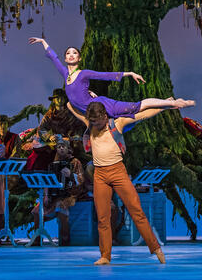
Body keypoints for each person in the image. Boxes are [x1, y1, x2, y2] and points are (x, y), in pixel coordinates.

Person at [68, 100, 167, 265]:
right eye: (91, 121)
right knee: (103, 217)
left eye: (96, 121)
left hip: (118, 172)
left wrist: (166, 106)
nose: (93, 124)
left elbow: (143, 114)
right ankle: (105, 255)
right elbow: (73, 108)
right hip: (100, 174)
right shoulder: (90, 123)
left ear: (104, 116)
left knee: (137, 212)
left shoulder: (118, 123)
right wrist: (73, 96)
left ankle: (156, 248)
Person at [29, 37, 195, 118]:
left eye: (75, 53)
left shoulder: (84, 73)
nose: (71, 55)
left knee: (138, 107)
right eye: (68, 53)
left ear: (79, 59)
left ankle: (172, 102)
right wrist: (43, 41)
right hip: (88, 113)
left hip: (102, 107)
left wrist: (128, 73)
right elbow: (53, 58)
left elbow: (105, 75)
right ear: (66, 59)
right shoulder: (66, 74)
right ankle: (168, 103)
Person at [30, 137, 84, 246]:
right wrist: (46, 195)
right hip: (54, 195)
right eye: (59, 147)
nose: (61, 149)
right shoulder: (54, 163)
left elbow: (81, 180)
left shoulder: (75, 162)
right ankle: (37, 238)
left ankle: (65, 238)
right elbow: (48, 181)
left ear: (68, 149)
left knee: (61, 207)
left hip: (70, 194)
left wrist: (71, 175)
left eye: (63, 146)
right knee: (37, 210)